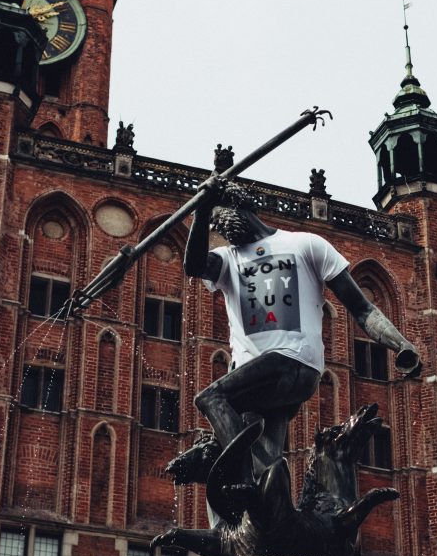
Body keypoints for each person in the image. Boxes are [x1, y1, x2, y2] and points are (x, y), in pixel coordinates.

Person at [180, 178, 420, 486]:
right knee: (265, 459)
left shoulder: (306, 245)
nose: (220, 230)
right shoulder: (228, 259)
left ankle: (243, 482)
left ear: (238, 208)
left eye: (219, 220)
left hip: (293, 361)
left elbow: (361, 308)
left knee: (211, 398)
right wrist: (200, 213)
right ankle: (268, 512)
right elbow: (194, 265)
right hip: (257, 377)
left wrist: (402, 345)